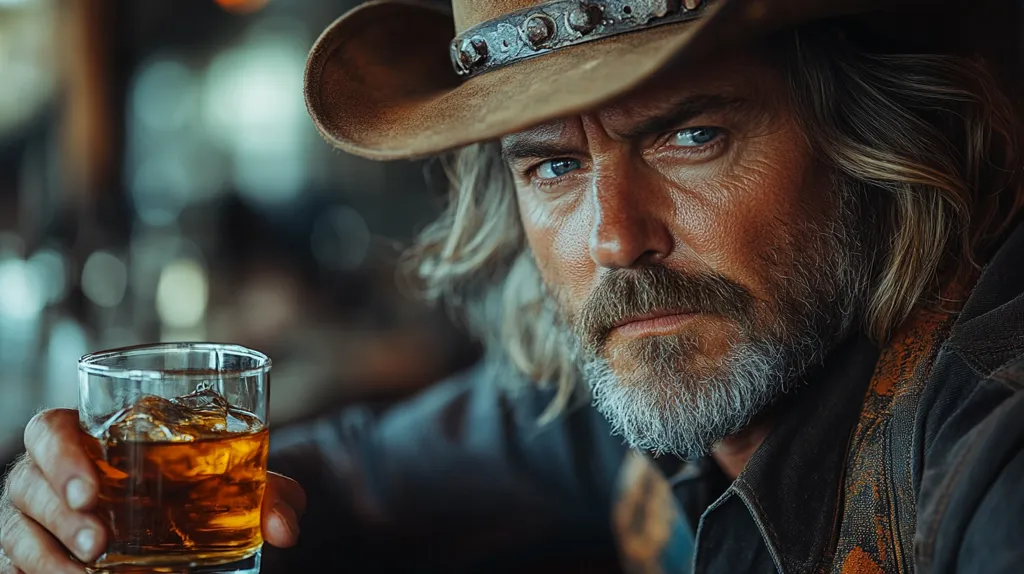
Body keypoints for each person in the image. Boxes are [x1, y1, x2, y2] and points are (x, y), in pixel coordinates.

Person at [2, 0, 1023, 571]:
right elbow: (359, 476)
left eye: (691, 136)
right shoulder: (614, 394)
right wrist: (87, 505)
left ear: (865, 139)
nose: (614, 238)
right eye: (554, 165)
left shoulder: (989, 460)